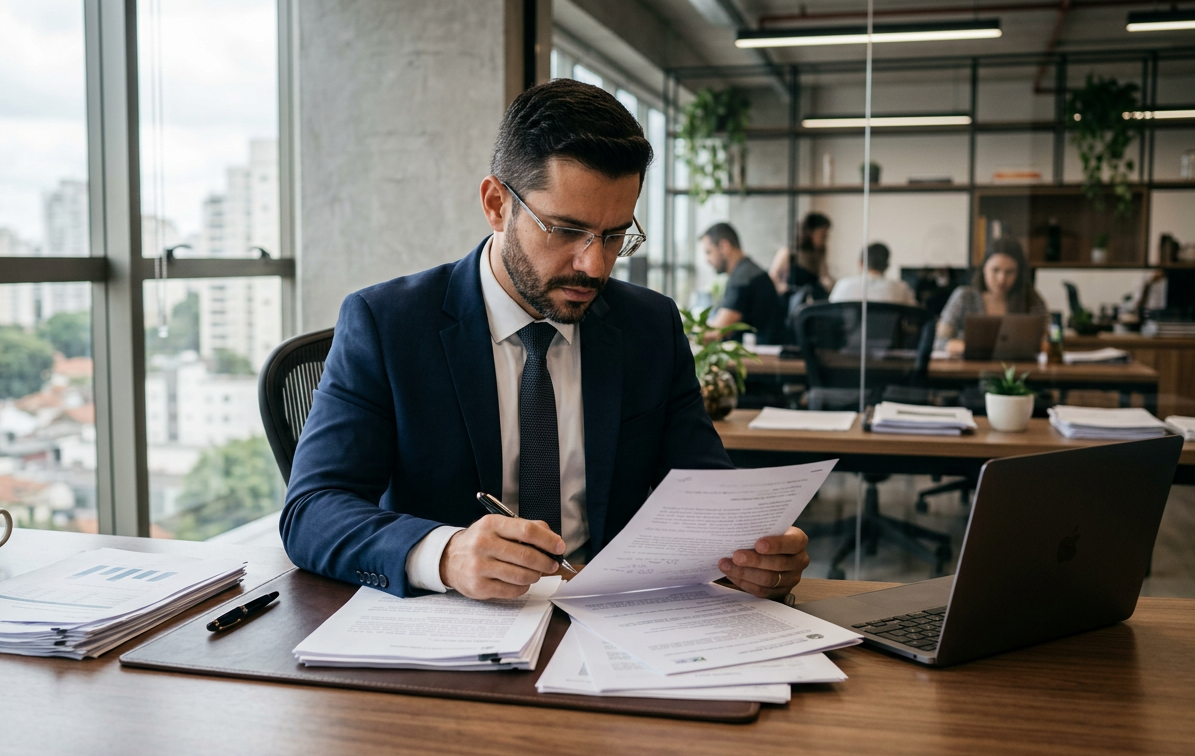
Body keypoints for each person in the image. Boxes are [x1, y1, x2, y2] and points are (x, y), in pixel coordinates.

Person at [280, 80, 809, 603]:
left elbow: (707, 492)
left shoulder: (650, 327)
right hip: (454, 633)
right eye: (565, 230)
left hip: (614, 621)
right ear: (495, 205)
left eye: (615, 235)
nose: (594, 265)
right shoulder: (389, 324)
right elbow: (313, 509)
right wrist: (445, 554)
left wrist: (756, 551)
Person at [936, 236, 1048, 356]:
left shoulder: (1032, 300)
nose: (1001, 279)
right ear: (984, 269)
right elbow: (940, 342)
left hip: (1018, 371)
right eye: (995, 270)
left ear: (1019, 274)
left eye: (1009, 272)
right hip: (969, 370)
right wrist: (974, 348)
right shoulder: (964, 297)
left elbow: (1048, 342)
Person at [701, 222, 784, 344]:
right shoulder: (748, 272)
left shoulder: (743, 278)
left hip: (760, 358)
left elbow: (718, 330)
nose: (707, 260)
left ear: (724, 246)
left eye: (709, 252)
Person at [828, 242, 916, 305]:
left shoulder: (843, 285)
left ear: (861, 263)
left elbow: (829, 314)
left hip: (850, 331)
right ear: (887, 266)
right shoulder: (901, 288)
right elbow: (916, 313)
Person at [770, 212, 834, 298]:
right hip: (789, 300)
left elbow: (824, 276)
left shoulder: (819, 254)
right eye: (822, 235)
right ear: (810, 233)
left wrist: (828, 282)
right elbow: (773, 275)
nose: (825, 238)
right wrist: (782, 287)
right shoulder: (788, 252)